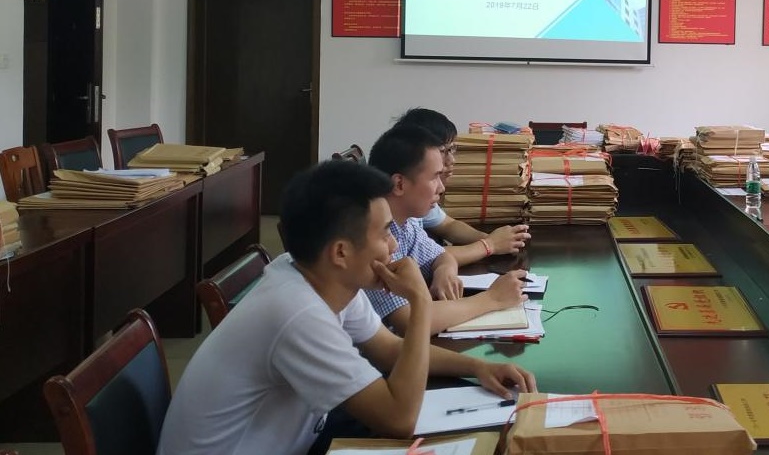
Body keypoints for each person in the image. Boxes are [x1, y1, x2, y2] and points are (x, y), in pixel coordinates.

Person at [157, 160, 535, 455]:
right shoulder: (298, 314)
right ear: (341, 252)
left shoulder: (317, 274)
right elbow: (399, 418)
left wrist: (479, 368)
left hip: (305, 433)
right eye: (385, 233)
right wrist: (420, 301)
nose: (393, 245)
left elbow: (389, 349)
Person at [366, 123, 529, 334]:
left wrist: (444, 270)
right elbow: (407, 320)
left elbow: (441, 255)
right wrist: (492, 299)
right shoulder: (373, 237)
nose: (441, 188)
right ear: (399, 184)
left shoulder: (407, 223)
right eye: (434, 177)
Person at [395, 108, 531, 265]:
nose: (451, 159)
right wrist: (490, 245)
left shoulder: (417, 196)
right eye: (443, 151)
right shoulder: (399, 202)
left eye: (452, 149)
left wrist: (495, 240)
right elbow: (428, 257)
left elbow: (448, 225)